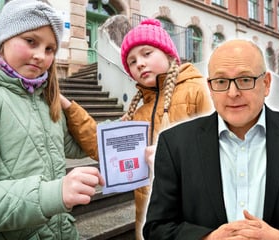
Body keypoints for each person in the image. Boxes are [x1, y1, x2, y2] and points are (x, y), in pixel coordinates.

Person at [0, 0, 104, 239]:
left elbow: (81, 144)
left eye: (50, 49)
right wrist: (55, 194)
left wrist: (71, 108)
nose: (40, 56)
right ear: (4, 39)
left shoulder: (43, 99)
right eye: (31, 41)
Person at [63, 18, 212, 239]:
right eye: (132, 62)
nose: (139, 64)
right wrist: (68, 106)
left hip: (196, 222)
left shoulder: (200, 89)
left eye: (147, 53)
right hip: (151, 222)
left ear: (169, 54)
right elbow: (101, 147)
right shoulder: (139, 111)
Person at [143, 39, 279, 240]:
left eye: (245, 79)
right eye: (221, 81)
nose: (232, 93)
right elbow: (156, 228)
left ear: (266, 84)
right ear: (210, 88)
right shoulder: (174, 143)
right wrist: (207, 239)